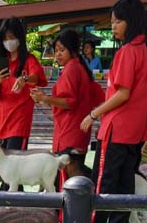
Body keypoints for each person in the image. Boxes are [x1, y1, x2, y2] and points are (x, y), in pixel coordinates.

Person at [81, 0, 147, 223]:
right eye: (113, 21)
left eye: (118, 21)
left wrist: (93, 114)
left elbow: (123, 93)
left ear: (131, 22)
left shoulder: (127, 52)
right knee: (124, 183)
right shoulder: (143, 51)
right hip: (132, 132)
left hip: (117, 128)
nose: (114, 26)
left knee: (103, 181)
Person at [31, 28, 103, 182]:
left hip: (69, 135)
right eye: (56, 50)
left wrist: (45, 98)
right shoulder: (80, 68)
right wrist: (43, 99)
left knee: (71, 181)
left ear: (72, 50)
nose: (57, 54)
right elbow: (96, 96)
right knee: (74, 181)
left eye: (62, 50)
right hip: (77, 133)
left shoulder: (71, 69)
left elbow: (70, 102)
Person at [0, 17, 46, 154]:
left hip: (19, 122)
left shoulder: (29, 59)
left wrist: (24, 79)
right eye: (5, 39)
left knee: (15, 164)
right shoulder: (0, 62)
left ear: (19, 37)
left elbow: (37, 77)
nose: (8, 42)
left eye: (11, 37)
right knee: (0, 170)